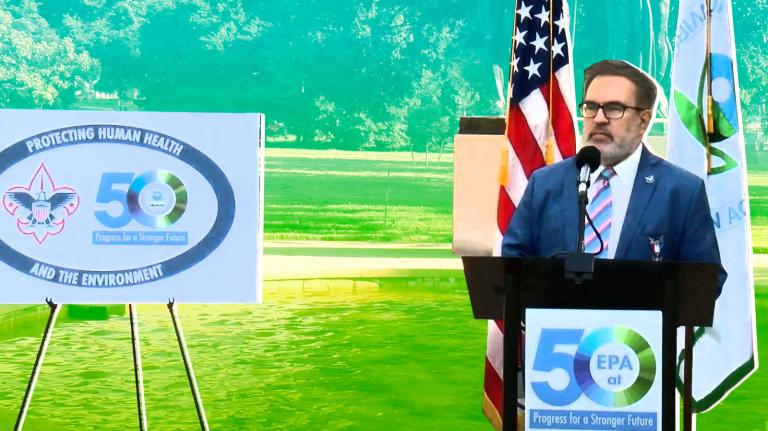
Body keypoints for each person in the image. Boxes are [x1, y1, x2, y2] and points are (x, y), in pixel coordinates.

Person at [502, 59, 725, 290]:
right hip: (556, 313)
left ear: (643, 121)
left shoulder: (681, 192)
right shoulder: (545, 183)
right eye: (591, 107)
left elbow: (706, 279)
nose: (599, 119)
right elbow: (512, 263)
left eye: (614, 109)